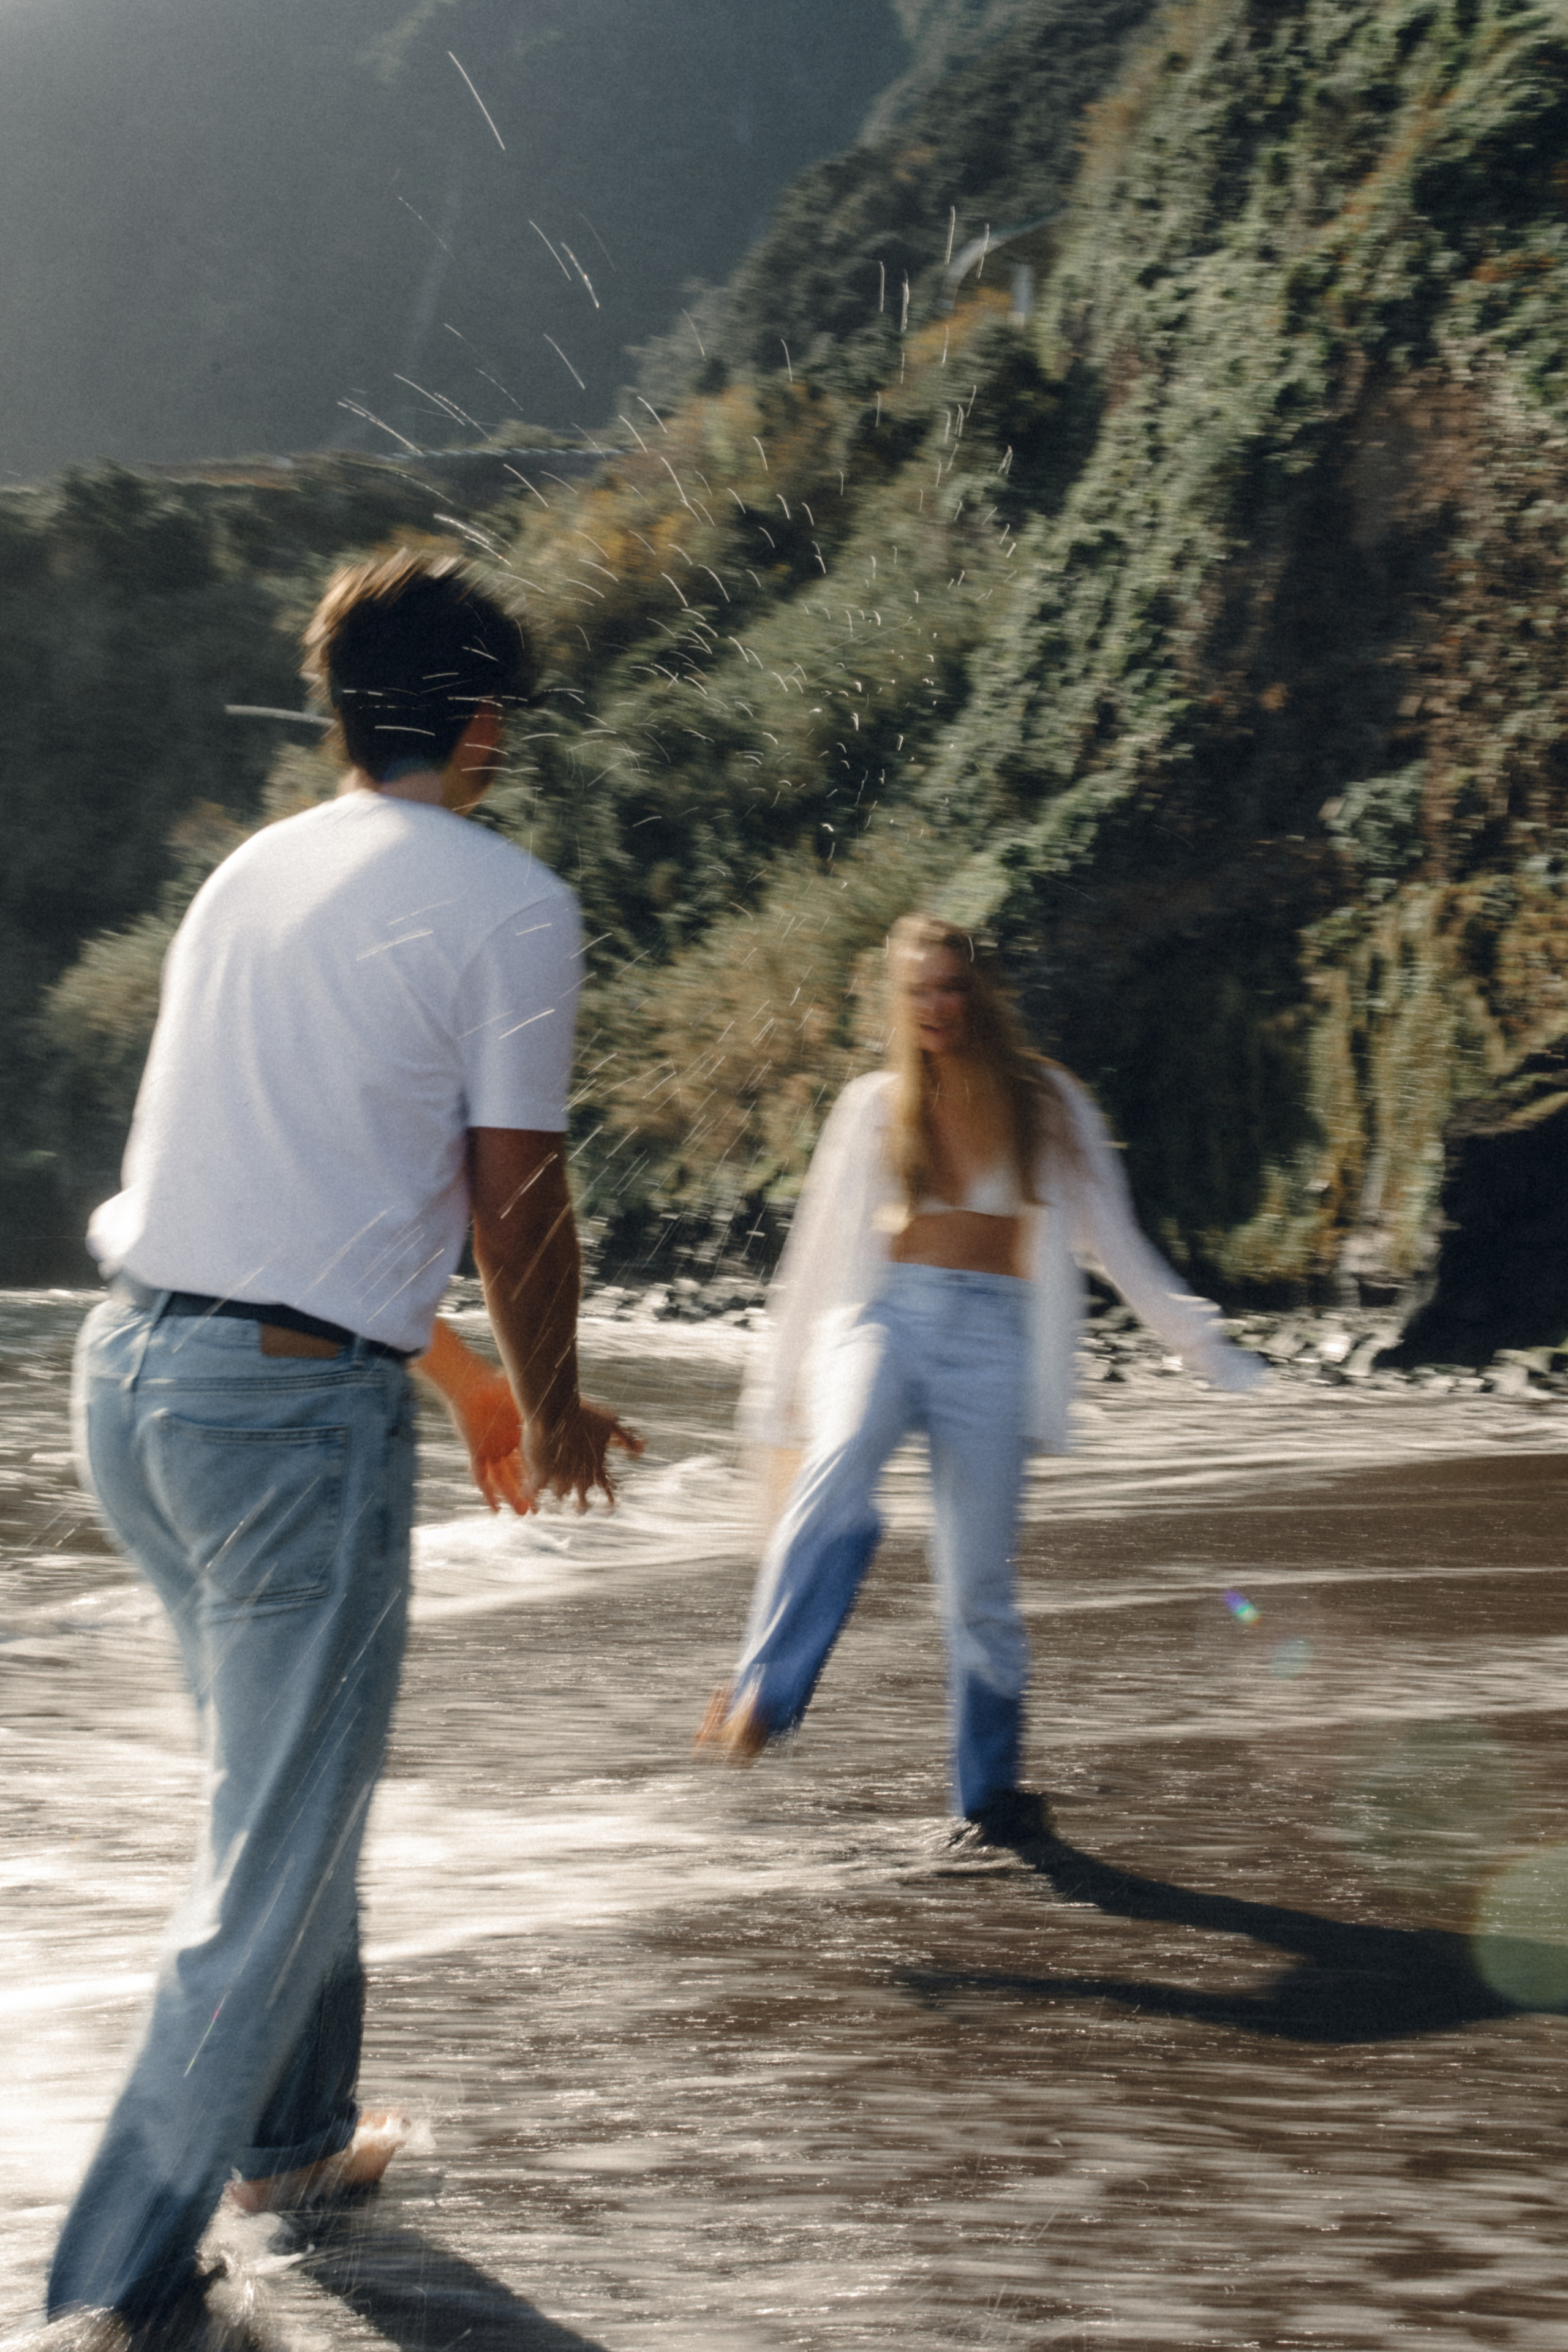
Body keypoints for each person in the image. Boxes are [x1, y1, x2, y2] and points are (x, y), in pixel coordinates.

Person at [48, 551, 639, 2331]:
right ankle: (117, 2284)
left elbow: (277, 1187)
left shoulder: (251, 874)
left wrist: (458, 1388)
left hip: (135, 1387)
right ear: (480, 727)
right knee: (276, 1853)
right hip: (287, 1422)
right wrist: (548, 1404)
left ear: (339, 710)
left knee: (289, 1802)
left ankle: (295, 2136)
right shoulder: (507, 898)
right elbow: (514, 1193)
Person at [696, 913, 1263, 1841]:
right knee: (837, 1464)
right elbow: (815, 1259)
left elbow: (1113, 1239)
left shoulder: (1048, 1104)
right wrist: (774, 1394)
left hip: (996, 1339)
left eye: (952, 986)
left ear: (985, 992)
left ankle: (988, 1796)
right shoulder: (875, 1106)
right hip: (886, 1318)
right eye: (918, 991)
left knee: (977, 1585)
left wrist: (1202, 1346)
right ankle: (764, 1695)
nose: (937, 1007)